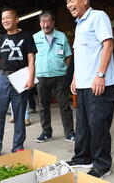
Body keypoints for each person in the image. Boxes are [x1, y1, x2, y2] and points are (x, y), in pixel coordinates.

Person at [65, 0, 114, 179]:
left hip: (100, 83)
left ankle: (102, 164)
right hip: (84, 84)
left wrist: (100, 75)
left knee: (98, 126)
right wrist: (75, 77)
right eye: (67, 2)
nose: (68, 4)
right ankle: (82, 158)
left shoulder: (98, 16)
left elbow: (108, 44)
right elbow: (80, 54)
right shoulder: (79, 24)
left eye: (72, 0)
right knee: (83, 125)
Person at [0, 7, 37, 158]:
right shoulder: (0, 39)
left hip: (20, 78)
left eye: (8, 17)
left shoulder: (27, 36)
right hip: (2, 78)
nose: (5, 21)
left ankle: (18, 146)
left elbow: (31, 59)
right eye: (3, 19)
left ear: (16, 19)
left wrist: (31, 77)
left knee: (20, 113)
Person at [32, 10, 75, 143]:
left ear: (53, 22)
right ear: (40, 23)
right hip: (42, 77)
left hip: (59, 77)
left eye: (48, 21)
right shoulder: (35, 38)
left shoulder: (62, 36)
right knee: (43, 106)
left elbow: (68, 55)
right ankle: (46, 132)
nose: (46, 25)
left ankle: (69, 133)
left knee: (64, 106)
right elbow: (31, 58)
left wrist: (64, 69)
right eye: (43, 22)